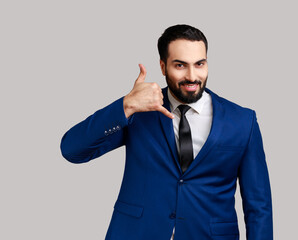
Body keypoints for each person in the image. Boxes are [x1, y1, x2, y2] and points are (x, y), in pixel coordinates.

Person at [60, 24, 273, 240]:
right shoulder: (138, 112)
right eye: (180, 65)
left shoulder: (242, 121)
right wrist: (126, 106)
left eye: (199, 64)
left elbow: (259, 205)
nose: (192, 76)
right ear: (163, 67)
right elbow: (72, 150)